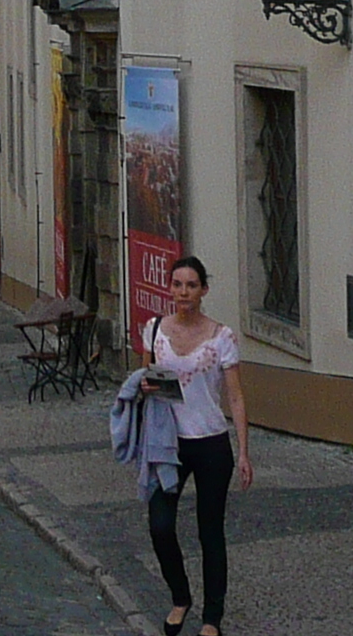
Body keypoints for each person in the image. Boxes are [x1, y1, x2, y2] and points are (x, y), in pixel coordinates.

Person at [132, 256, 252, 636]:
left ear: (203, 290)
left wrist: (244, 450)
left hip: (212, 443)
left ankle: (212, 618)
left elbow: (235, 398)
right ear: (169, 288)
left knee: (209, 531)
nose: (184, 292)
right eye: (178, 284)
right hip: (168, 444)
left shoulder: (221, 337)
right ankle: (180, 596)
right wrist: (144, 386)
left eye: (191, 285)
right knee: (160, 525)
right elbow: (143, 381)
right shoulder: (153, 331)